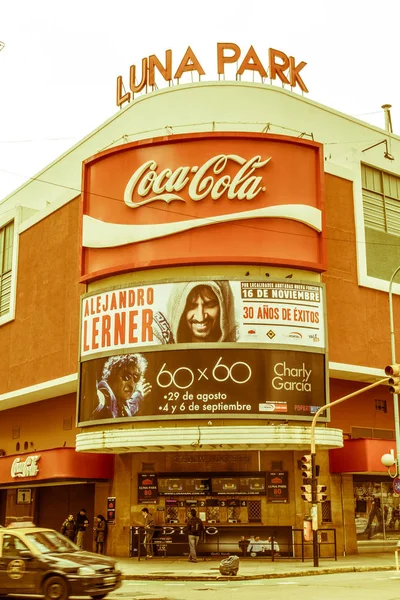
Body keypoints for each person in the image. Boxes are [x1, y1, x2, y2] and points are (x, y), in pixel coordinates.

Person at [153, 281, 237, 344]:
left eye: (210, 304)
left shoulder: (238, 336)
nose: (201, 317)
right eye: (191, 306)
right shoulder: (159, 331)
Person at [92, 353, 152, 419]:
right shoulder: (103, 397)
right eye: (126, 376)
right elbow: (94, 400)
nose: (132, 383)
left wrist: (139, 393)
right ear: (112, 376)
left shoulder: (124, 405)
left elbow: (132, 404)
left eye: (136, 377)